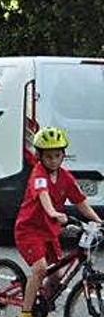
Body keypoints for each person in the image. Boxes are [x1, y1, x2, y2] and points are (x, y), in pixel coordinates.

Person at [14, 127, 102, 316]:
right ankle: (26, 312)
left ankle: (42, 301)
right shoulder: (39, 174)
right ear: (39, 156)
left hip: (49, 231)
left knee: (57, 275)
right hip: (29, 231)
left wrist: (98, 220)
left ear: (63, 155)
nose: (53, 160)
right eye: (48, 156)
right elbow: (43, 195)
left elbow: (80, 202)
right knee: (40, 269)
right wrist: (53, 212)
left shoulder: (65, 176)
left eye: (57, 155)